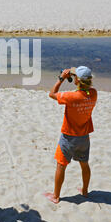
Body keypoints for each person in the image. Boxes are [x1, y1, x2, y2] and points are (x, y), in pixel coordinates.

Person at [43, 66, 97, 204]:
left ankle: (56, 196)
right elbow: (83, 92)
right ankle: (85, 191)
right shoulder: (93, 93)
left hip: (68, 137)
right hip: (84, 137)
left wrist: (61, 79)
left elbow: (52, 94)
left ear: (77, 79)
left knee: (61, 165)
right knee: (84, 164)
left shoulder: (71, 96)